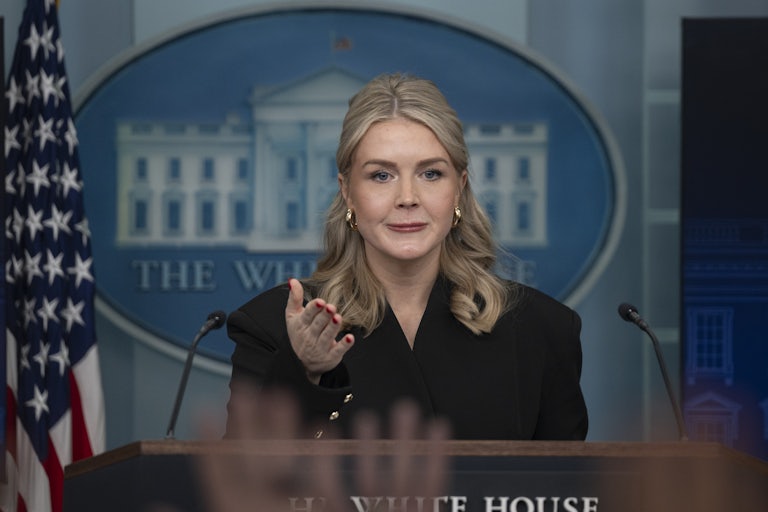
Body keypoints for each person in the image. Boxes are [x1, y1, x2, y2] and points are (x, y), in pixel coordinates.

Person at [226, 73, 588, 440]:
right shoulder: (272, 328)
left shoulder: (542, 331)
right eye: (381, 176)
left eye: (431, 173)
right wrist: (304, 373)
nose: (407, 197)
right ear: (348, 193)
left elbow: (566, 491)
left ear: (459, 190)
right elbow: (240, 487)